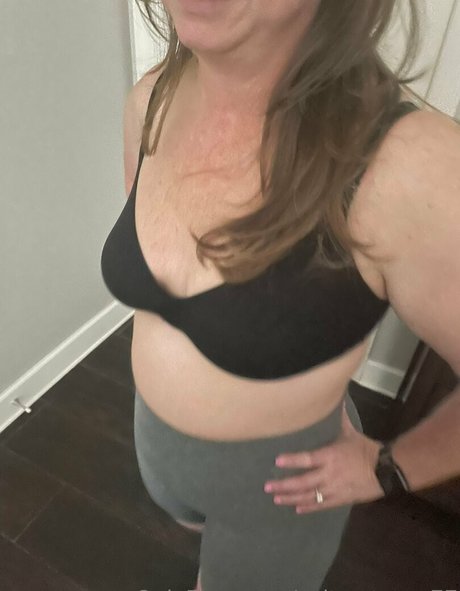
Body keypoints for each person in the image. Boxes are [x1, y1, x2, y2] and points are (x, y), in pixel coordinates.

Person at [100, 1, 460, 589]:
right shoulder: (152, 98)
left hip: (280, 492)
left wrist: (388, 469)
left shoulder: (409, 167)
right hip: (160, 451)